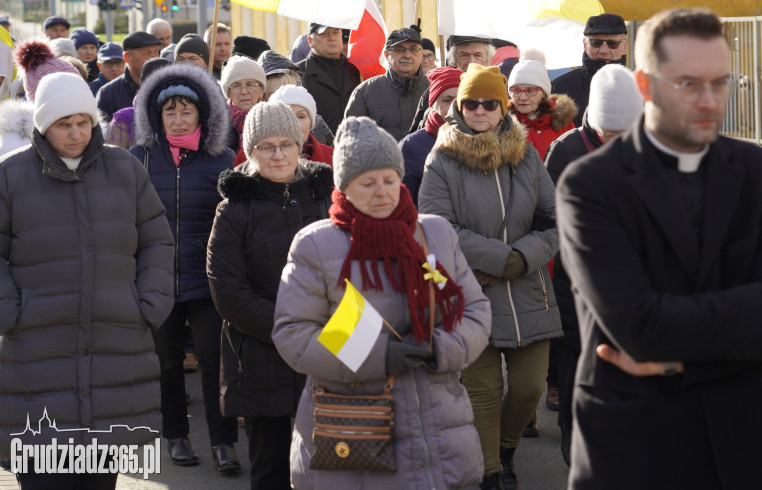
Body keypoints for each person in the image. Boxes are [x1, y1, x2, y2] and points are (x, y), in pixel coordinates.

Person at [556, 7, 762, 489]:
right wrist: (759, 300)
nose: (710, 101)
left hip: (743, 447)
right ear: (646, 85)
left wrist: (674, 358)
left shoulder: (754, 170)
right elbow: (639, 327)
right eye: (689, 84)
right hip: (637, 451)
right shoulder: (591, 183)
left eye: (721, 83)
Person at [273, 116, 492, 490]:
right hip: (357, 433)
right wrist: (378, 355)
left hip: (439, 430)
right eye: (368, 183)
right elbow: (294, 334)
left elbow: (475, 310)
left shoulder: (435, 233)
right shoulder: (317, 244)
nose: (382, 192)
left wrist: (441, 348)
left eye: (390, 180)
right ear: (344, 187)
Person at [0, 71, 174, 489]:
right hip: (36, 349)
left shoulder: (125, 169)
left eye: (83, 121)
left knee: (99, 477)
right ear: (44, 125)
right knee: (42, 473)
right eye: (64, 124)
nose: (76, 133)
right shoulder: (10, 174)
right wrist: (9, 311)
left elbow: (156, 239)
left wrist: (148, 303)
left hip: (115, 343)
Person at [419, 64, 561, 490]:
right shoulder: (441, 159)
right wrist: (503, 259)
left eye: (489, 103)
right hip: (471, 290)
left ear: (503, 108)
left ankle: (506, 448)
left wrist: (522, 257)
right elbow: (437, 227)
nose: (480, 111)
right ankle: (490, 472)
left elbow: (554, 220)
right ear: (459, 107)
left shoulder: (527, 154)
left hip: (528, 289)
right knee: (481, 391)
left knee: (529, 388)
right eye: (471, 103)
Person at [208, 102, 335, 490]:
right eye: (265, 146)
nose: (278, 154)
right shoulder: (233, 211)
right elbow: (229, 293)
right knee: (271, 470)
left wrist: (337, 339)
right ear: (250, 151)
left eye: (286, 144)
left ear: (300, 145)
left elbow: (357, 277)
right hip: (261, 357)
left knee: (335, 468)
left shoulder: (329, 200)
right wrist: (292, 331)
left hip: (329, 352)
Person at [127, 62, 239, 473]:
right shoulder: (138, 158)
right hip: (156, 277)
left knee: (213, 361)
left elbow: (232, 221)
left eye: (185, 111)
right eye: (169, 111)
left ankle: (224, 442)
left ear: (201, 114)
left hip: (207, 277)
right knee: (167, 361)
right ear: (157, 115)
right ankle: (175, 435)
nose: (177, 119)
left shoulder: (222, 158)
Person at [543, 63, 644, 466]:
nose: (617, 141)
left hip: (633, 281)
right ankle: (575, 446)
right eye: (610, 133)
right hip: (575, 280)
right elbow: (548, 215)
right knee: (576, 367)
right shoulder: (566, 149)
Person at [345, 28, 428, 141]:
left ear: (421, 54)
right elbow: (351, 138)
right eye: (399, 49)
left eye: (413, 49)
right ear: (387, 55)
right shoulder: (365, 92)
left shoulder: (434, 90)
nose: (407, 55)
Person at [551, 14, 629, 127]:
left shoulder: (641, 88)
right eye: (596, 43)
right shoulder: (559, 89)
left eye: (612, 44)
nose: (604, 50)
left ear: (624, 46)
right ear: (585, 44)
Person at [399, 66, 462, 204]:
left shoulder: (480, 139)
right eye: (447, 100)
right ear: (433, 105)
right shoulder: (411, 147)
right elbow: (402, 203)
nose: (455, 106)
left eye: (462, 99)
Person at [233, 85, 333, 167]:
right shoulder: (248, 157)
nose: (295, 123)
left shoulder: (332, 156)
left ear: (311, 122)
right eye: (287, 116)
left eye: (301, 116)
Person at [258, 49, 334, 146]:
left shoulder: (317, 124)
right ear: (263, 97)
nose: (284, 100)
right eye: (274, 94)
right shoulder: (257, 127)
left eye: (289, 91)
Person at [297, 23, 361, 134]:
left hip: (355, 141)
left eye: (336, 32)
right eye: (324, 33)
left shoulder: (358, 70)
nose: (332, 38)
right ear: (310, 41)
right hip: (316, 144)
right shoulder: (296, 74)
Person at [508, 58, 576, 161]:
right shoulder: (502, 124)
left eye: (530, 90)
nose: (523, 97)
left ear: (544, 93)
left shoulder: (563, 121)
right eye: (516, 90)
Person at [96, 30, 163, 123]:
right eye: (147, 53)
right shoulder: (108, 94)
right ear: (127, 57)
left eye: (156, 52)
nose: (154, 57)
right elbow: (104, 129)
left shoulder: (165, 86)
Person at [221, 55, 268, 151]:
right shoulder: (218, 123)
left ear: (261, 90)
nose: (244, 92)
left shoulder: (273, 118)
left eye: (250, 84)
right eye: (236, 86)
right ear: (228, 93)